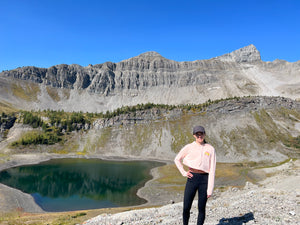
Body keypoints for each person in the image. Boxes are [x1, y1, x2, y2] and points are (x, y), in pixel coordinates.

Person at [174, 125, 216, 225]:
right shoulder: (189, 147)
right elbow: (177, 159)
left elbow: (212, 170)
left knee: (201, 208)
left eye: (201, 133)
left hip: (204, 179)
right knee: (186, 207)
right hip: (192, 177)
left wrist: (210, 189)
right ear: (194, 135)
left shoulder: (210, 149)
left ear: (204, 134)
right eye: (197, 134)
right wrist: (184, 172)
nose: (199, 136)